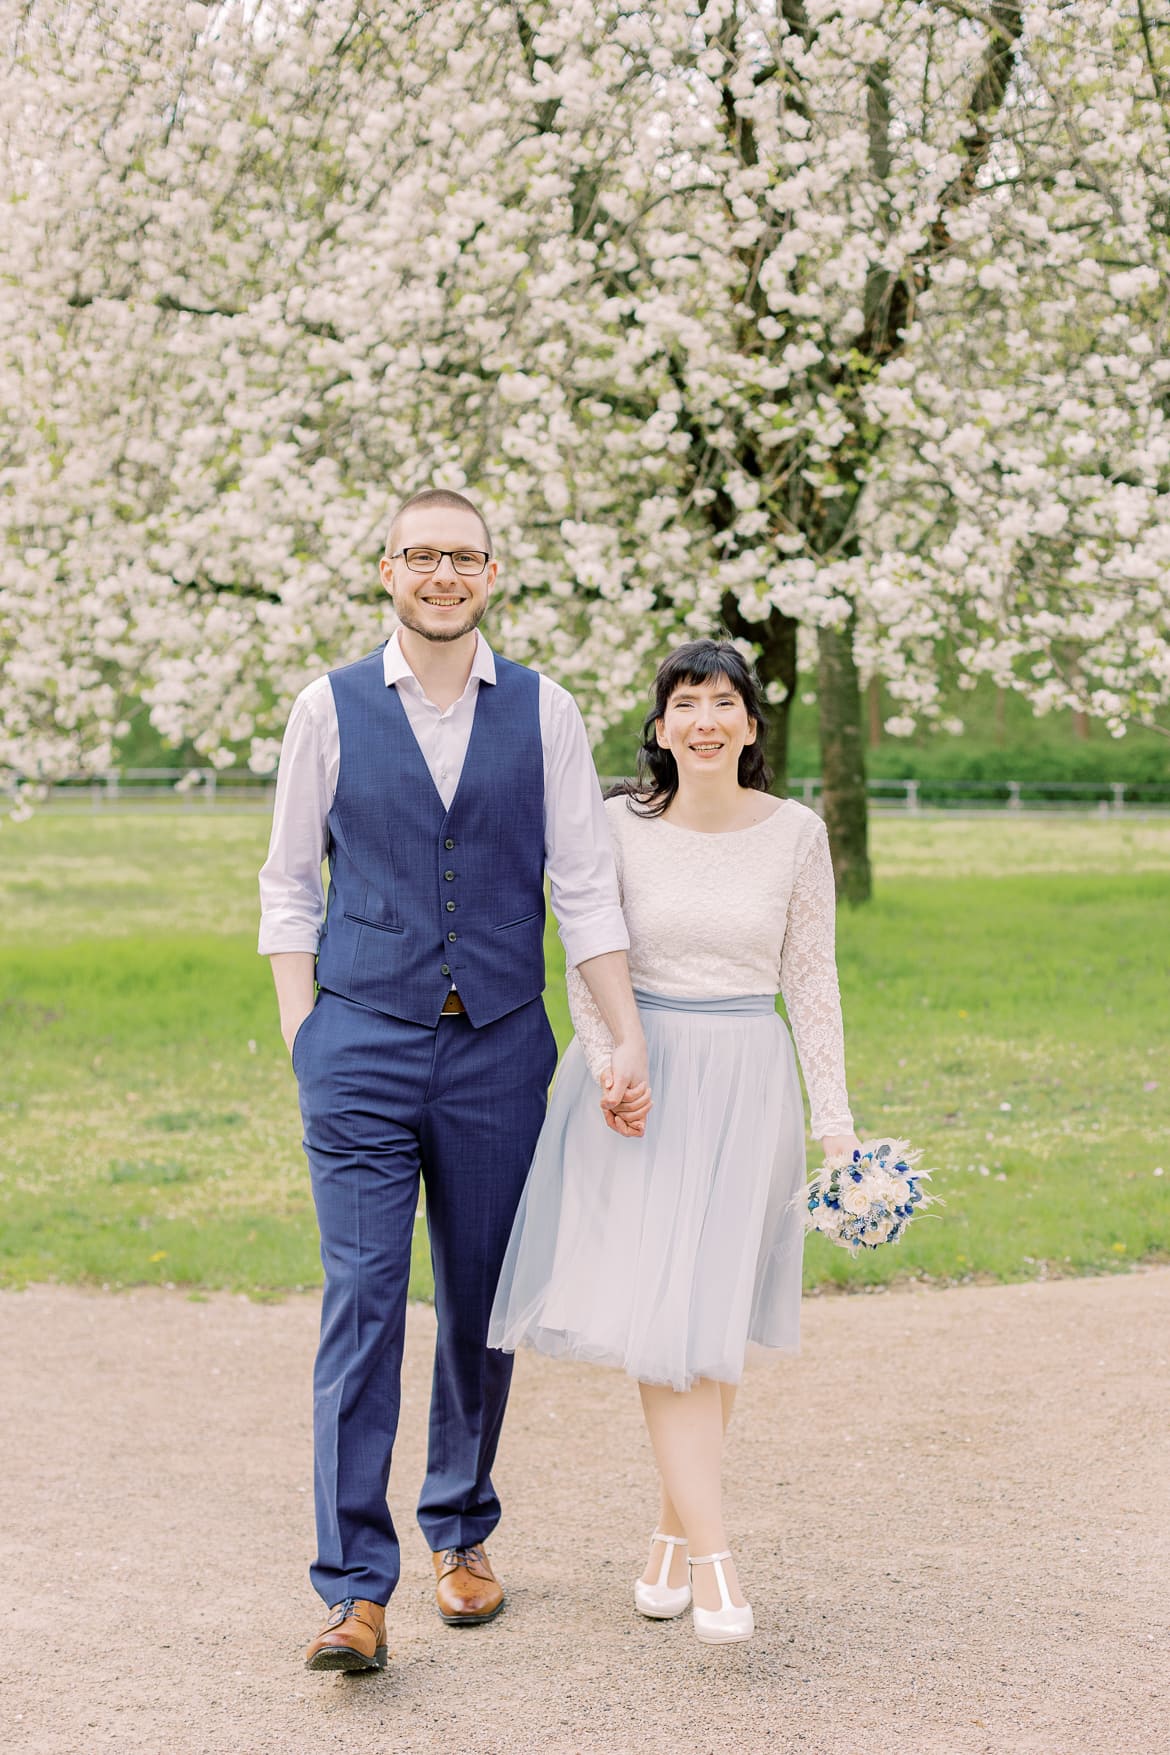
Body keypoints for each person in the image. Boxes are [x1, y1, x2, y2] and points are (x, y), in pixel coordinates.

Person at [258, 488, 649, 1671]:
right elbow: (288, 885)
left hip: (499, 1046)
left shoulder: (547, 711)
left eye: (463, 557)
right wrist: (305, 1039)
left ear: (492, 574)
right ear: (386, 572)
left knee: (481, 1305)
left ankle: (461, 1530)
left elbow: (584, 886)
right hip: (360, 1047)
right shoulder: (326, 707)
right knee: (364, 1305)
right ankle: (353, 1590)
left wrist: (620, 1034)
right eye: (420, 556)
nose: (442, 574)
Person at [489, 638, 860, 1644]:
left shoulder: (795, 835)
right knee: (666, 1311)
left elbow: (812, 981)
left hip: (748, 1081)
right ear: (659, 728)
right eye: (686, 703)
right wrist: (610, 1055)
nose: (705, 719)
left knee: (704, 1316)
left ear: (750, 725)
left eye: (724, 702)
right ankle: (716, 1559)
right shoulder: (616, 824)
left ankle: (666, 1534)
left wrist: (836, 1127)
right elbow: (586, 945)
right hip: (640, 1085)